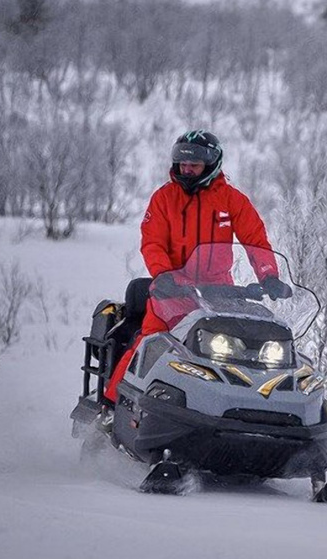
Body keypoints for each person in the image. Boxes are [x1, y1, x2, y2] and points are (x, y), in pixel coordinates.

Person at [103, 130, 290, 405]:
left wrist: (269, 275)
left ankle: (236, 408)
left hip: (219, 294)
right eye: (183, 164)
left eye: (194, 165)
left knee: (237, 352)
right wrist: (164, 274)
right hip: (171, 291)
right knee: (149, 344)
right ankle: (110, 407)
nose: (187, 170)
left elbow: (256, 239)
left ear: (212, 164)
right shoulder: (164, 198)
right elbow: (152, 242)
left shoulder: (232, 200)